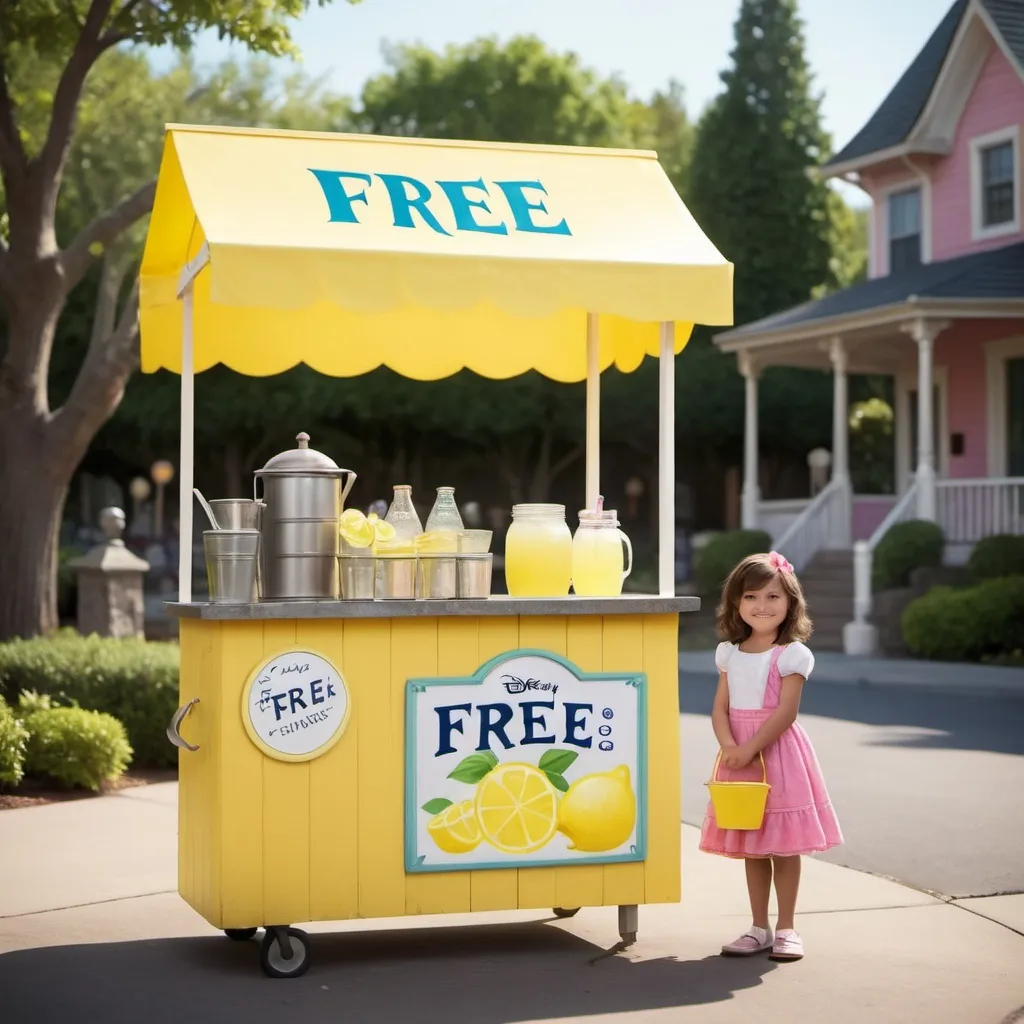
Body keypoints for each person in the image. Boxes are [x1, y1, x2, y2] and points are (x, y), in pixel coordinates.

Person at [699, 550, 843, 962]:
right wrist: (729, 745)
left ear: (790, 603)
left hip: (776, 753)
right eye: (751, 597)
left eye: (772, 597)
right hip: (739, 754)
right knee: (753, 844)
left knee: (783, 846)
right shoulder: (729, 653)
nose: (761, 606)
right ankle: (758, 927)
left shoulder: (792, 655)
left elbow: (786, 712)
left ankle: (787, 928)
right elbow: (719, 707)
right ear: (736, 603)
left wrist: (747, 748)